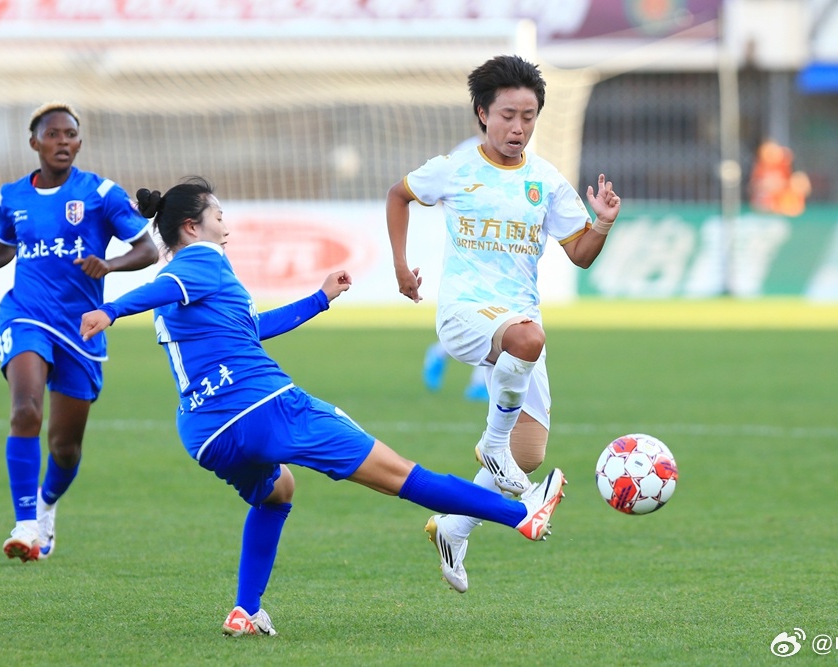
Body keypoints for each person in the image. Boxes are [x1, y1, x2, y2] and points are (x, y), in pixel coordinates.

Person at [78, 177, 566, 636]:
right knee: (400, 474)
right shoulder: (201, 260)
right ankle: (521, 515)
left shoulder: (188, 288)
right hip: (264, 407)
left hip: (206, 434)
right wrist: (111, 310)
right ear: (192, 227)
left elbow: (252, 330)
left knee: (278, 490)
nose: (226, 225)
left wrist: (320, 298)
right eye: (219, 215)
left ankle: (247, 610)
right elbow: (162, 288)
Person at [386, 55, 620, 593]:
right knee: (527, 342)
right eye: (508, 115)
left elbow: (580, 254)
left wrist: (603, 223)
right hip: (465, 313)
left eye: (529, 117)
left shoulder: (545, 181)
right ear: (482, 114)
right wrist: (401, 267)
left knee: (529, 453)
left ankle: (454, 526)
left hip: (517, 322)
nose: (519, 128)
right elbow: (399, 195)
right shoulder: (456, 168)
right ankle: (491, 444)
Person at [0, 102, 159, 563]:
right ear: (34, 142)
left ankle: (46, 504)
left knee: (66, 446)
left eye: (70, 134)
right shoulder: (11, 196)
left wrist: (109, 264)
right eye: (52, 134)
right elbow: (7, 243)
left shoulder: (100, 193)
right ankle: (24, 525)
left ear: (79, 142)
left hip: (82, 327)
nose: (62, 141)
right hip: (26, 314)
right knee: (25, 411)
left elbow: (148, 249)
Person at [421, 133, 489, 403]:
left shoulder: (520, 156)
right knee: (482, 314)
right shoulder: (467, 151)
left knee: (493, 315)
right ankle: (471, 377)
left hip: (504, 249)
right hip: (472, 249)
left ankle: (477, 380)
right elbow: (440, 193)